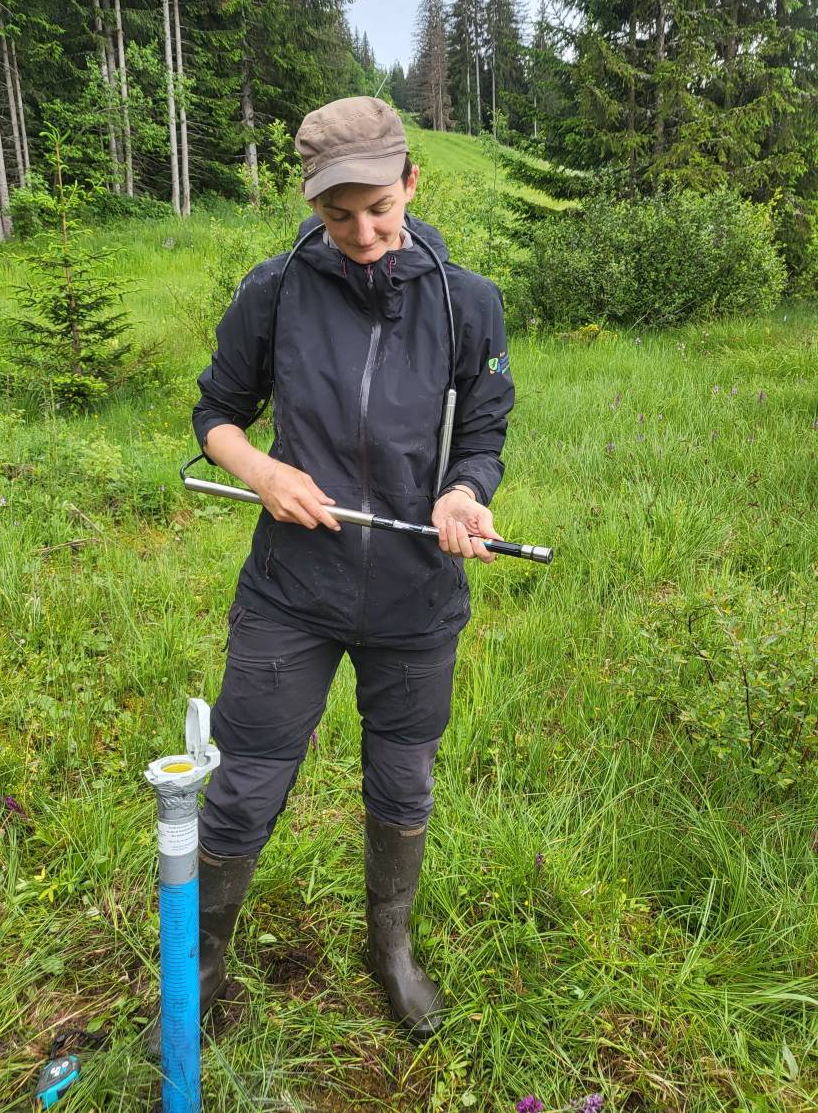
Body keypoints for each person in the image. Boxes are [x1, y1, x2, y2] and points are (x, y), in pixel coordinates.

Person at [191, 96, 514, 1039]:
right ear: (313, 205)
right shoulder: (276, 288)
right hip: (292, 589)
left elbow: (483, 433)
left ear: (412, 181)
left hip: (416, 597)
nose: (362, 232)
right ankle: (204, 962)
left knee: (403, 782)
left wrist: (462, 492)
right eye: (339, 214)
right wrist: (261, 470)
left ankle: (392, 948)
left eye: (378, 206)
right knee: (247, 778)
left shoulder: (468, 300)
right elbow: (215, 414)